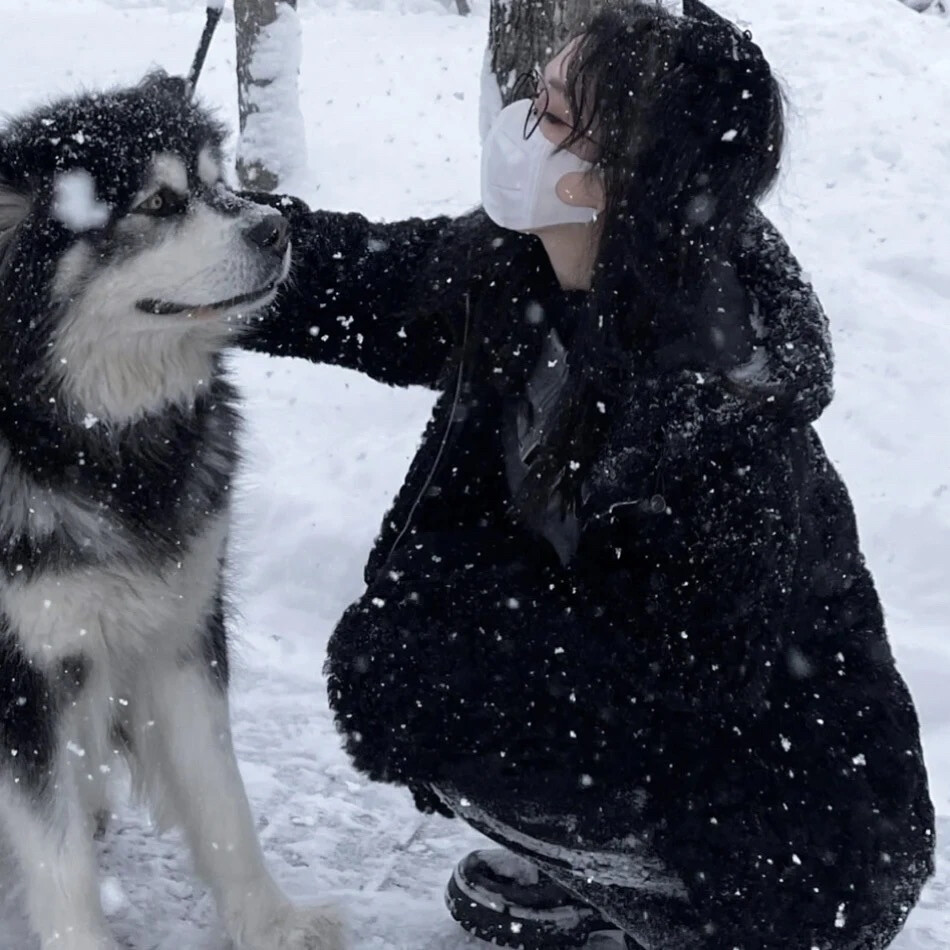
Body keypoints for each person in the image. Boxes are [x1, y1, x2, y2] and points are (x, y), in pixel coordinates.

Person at [242, 1, 935, 947]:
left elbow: (676, 700)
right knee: (430, 668)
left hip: (809, 840)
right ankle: (598, 873)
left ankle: (697, 911)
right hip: (676, 737)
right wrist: (200, 243)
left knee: (435, 691)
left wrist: (430, 660)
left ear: (618, 184)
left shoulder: (725, 427)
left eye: (554, 116)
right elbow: (367, 283)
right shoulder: (524, 270)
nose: (520, 121)